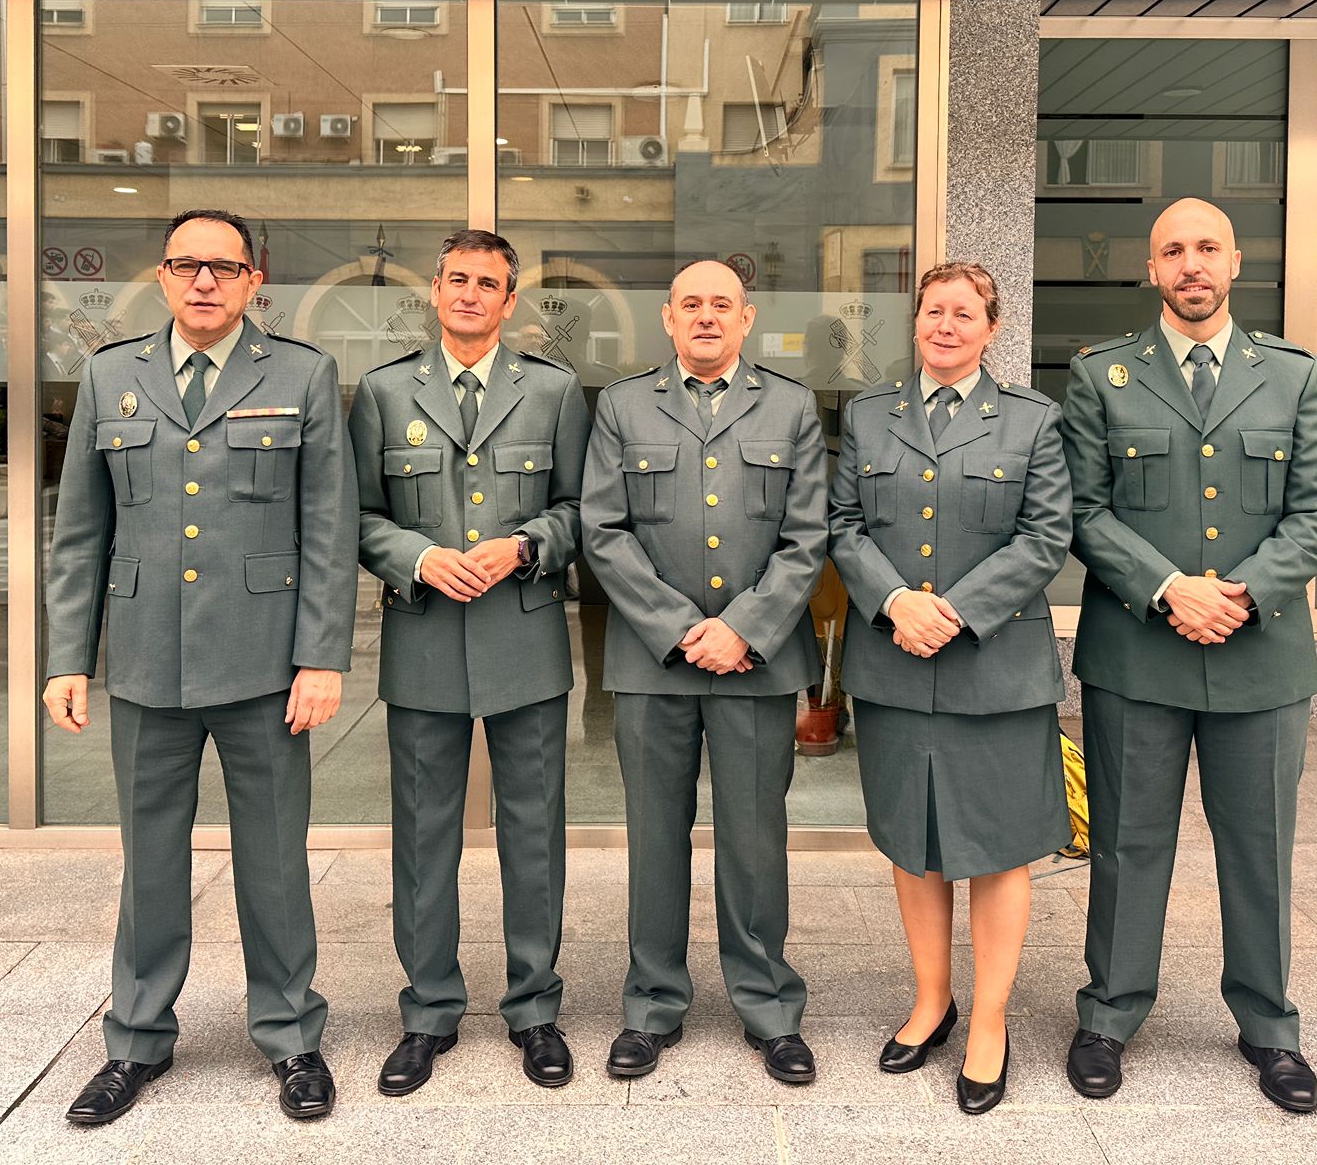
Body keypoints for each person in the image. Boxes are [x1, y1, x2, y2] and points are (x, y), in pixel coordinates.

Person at [43, 207, 359, 1127]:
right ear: (163, 277)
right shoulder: (111, 374)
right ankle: (136, 1041)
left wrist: (321, 657)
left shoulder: (300, 373)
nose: (205, 283)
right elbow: (79, 535)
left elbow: (327, 530)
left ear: (255, 280)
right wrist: (71, 658)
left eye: (224, 267)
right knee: (149, 862)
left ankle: (292, 1035)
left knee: (274, 858)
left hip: (266, 666)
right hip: (146, 661)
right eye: (187, 266)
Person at [1059, 196, 1317, 1115]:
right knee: (1128, 844)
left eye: (1207, 248)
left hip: (1260, 658)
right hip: (1138, 655)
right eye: (1172, 250)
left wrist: (1241, 593)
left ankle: (1269, 1028)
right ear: (1151, 270)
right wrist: (1170, 588)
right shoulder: (1100, 377)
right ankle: (1109, 1015)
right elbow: (1082, 512)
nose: (1191, 264)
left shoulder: (1290, 376)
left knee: (1259, 849)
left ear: (1234, 264)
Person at [827, 261, 1074, 1116]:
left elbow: (1048, 536)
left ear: (991, 326)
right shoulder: (867, 416)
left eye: (963, 312)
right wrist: (896, 600)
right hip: (894, 660)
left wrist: (956, 612)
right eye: (933, 311)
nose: (945, 325)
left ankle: (991, 1022)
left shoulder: (1035, 421)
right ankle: (933, 1001)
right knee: (913, 837)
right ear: (917, 321)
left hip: (995, 666)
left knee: (1000, 847)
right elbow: (842, 525)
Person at [349, 229, 589, 1095]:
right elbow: (360, 515)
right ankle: (429, 1012)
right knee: (423, 837)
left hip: (523, 640)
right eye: (457, 279)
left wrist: (526, 545)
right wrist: (415, 556)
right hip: (422, 643)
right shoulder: (382, 392)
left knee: (534, 834)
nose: (470, 294)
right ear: (435, 289)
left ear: (510, 300)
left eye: (489, 283)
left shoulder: (555, 391)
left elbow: (580, 509)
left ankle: (535, 1009)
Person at [582, 259, 827, 1087]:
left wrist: (744, 630)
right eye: (692, 304)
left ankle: (768, 1007)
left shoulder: (792, 406)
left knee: (755, 841)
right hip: (655, 663)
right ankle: (651, 1005)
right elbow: (603, 530)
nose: (707, 317)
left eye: (723, 304)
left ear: (747, 319)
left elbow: (807, 538)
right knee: (655, 838)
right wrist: (684, 629)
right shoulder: (621, 404)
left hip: (755, 663)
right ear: (668, 317)